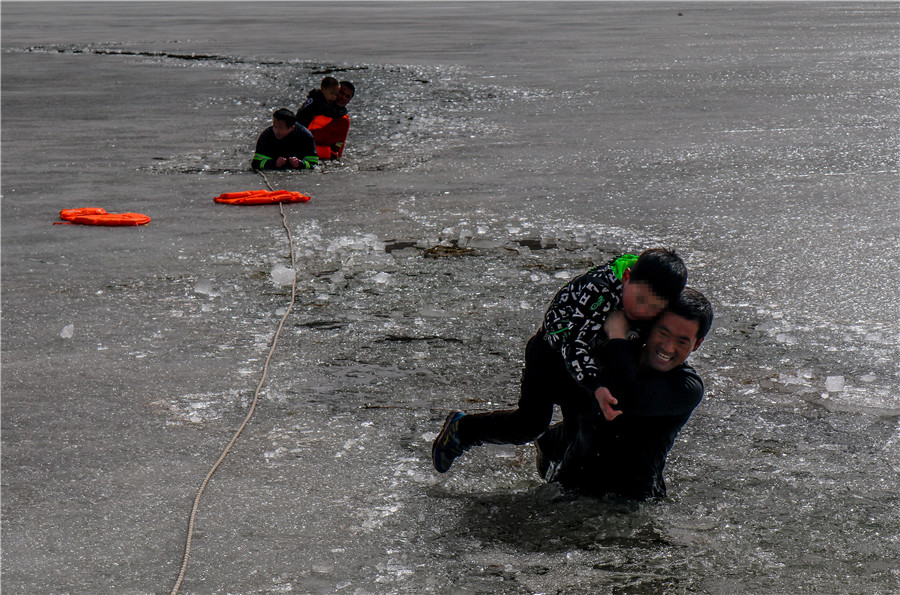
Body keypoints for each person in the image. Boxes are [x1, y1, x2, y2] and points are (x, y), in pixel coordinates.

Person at [432, 248, 688, 474]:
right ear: (627, 277)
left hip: (593, 363)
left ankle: (551, 455)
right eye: (639, 299)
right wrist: (597, 386)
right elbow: (574, 346)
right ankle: (462, 429)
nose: (642, 310)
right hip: (551, 357)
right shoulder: (597, 290)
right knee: (530, 424)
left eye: (654, 308)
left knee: (583, 430)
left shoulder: (654, 301)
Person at [536, 287, 713, 500]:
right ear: (650, 326)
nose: (667, 347)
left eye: (682, 341)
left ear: (697, 344)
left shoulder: (687, 387)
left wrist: (617, 337)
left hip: (631, 503)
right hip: (571, 485)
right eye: (663, 332)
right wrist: (544, 440)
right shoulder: (615, 351)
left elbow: (624, 400)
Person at [250, 108, 319, 171]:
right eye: (274, 126)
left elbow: (314, 164)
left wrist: (300, 164)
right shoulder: (267, 136)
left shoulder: (306, 136)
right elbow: (256, 163)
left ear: (292, 128)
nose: (276, 131)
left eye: (280, 128)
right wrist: (274, 163)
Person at [305, 81, 355, 160]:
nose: (343, 98)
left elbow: (321, 138)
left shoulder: (343, 119)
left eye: (347, 96)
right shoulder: (317, 103)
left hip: (324, 155)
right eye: (341, 93)